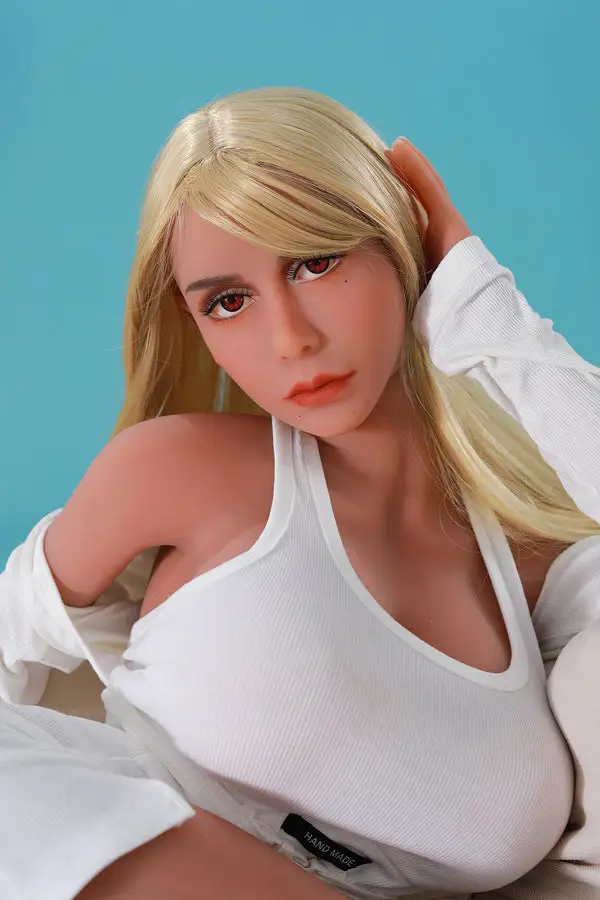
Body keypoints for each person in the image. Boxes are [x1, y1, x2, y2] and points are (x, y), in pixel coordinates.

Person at [1, 86, 600, 900]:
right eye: (228, 301)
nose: (291, 339)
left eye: (317, 262)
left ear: (404, 241)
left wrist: (483, 313)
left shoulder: (533, 570)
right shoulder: (179, 471)